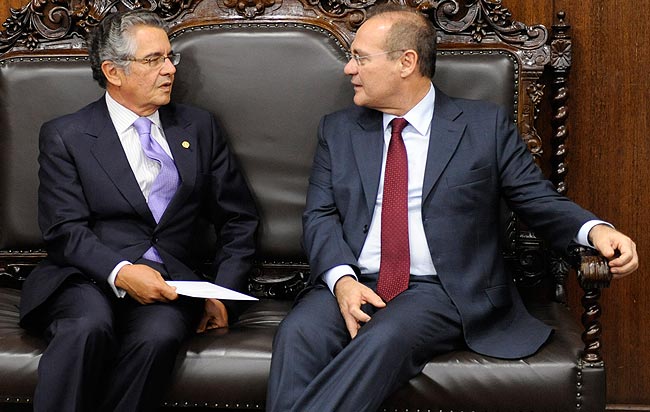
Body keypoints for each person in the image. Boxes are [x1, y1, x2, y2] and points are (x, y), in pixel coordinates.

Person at [266, 5, 638, 412]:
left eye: (360, 57)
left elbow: (537, 200)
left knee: (387, 336)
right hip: (352, 279)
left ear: (406, 62)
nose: (348, 70)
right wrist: (341, 282)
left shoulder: (483, 127)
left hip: (439, 290)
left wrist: (596, 230)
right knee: (297, 333)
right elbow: (319, 216)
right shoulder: (337, 131)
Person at [18, 9, 259, 412]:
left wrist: (223, 295)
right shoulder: (67, 135)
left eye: (170, 57)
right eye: (153, 60)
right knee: (86, 328)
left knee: (159, 336)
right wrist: (123, 272)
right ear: (113, 71)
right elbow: (64, 229)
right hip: (85, 277)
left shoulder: (199, 128)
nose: (169, 70)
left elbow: (239, 219)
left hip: (170, 284)